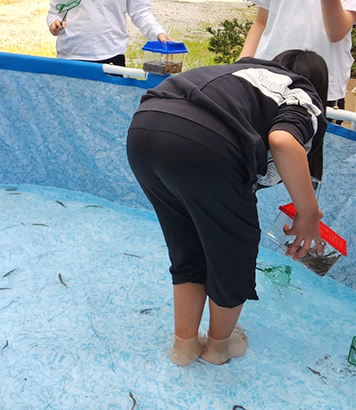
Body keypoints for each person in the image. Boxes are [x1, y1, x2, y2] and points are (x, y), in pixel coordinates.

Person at [126, 49, 328, 366]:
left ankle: (184, 347)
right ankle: (219, 348)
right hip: (201, 141)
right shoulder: (302, 93)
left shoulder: (240, 74)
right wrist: (308, 213)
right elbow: (284, 141)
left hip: (144, 129)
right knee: (235, 252)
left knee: (188, 247)